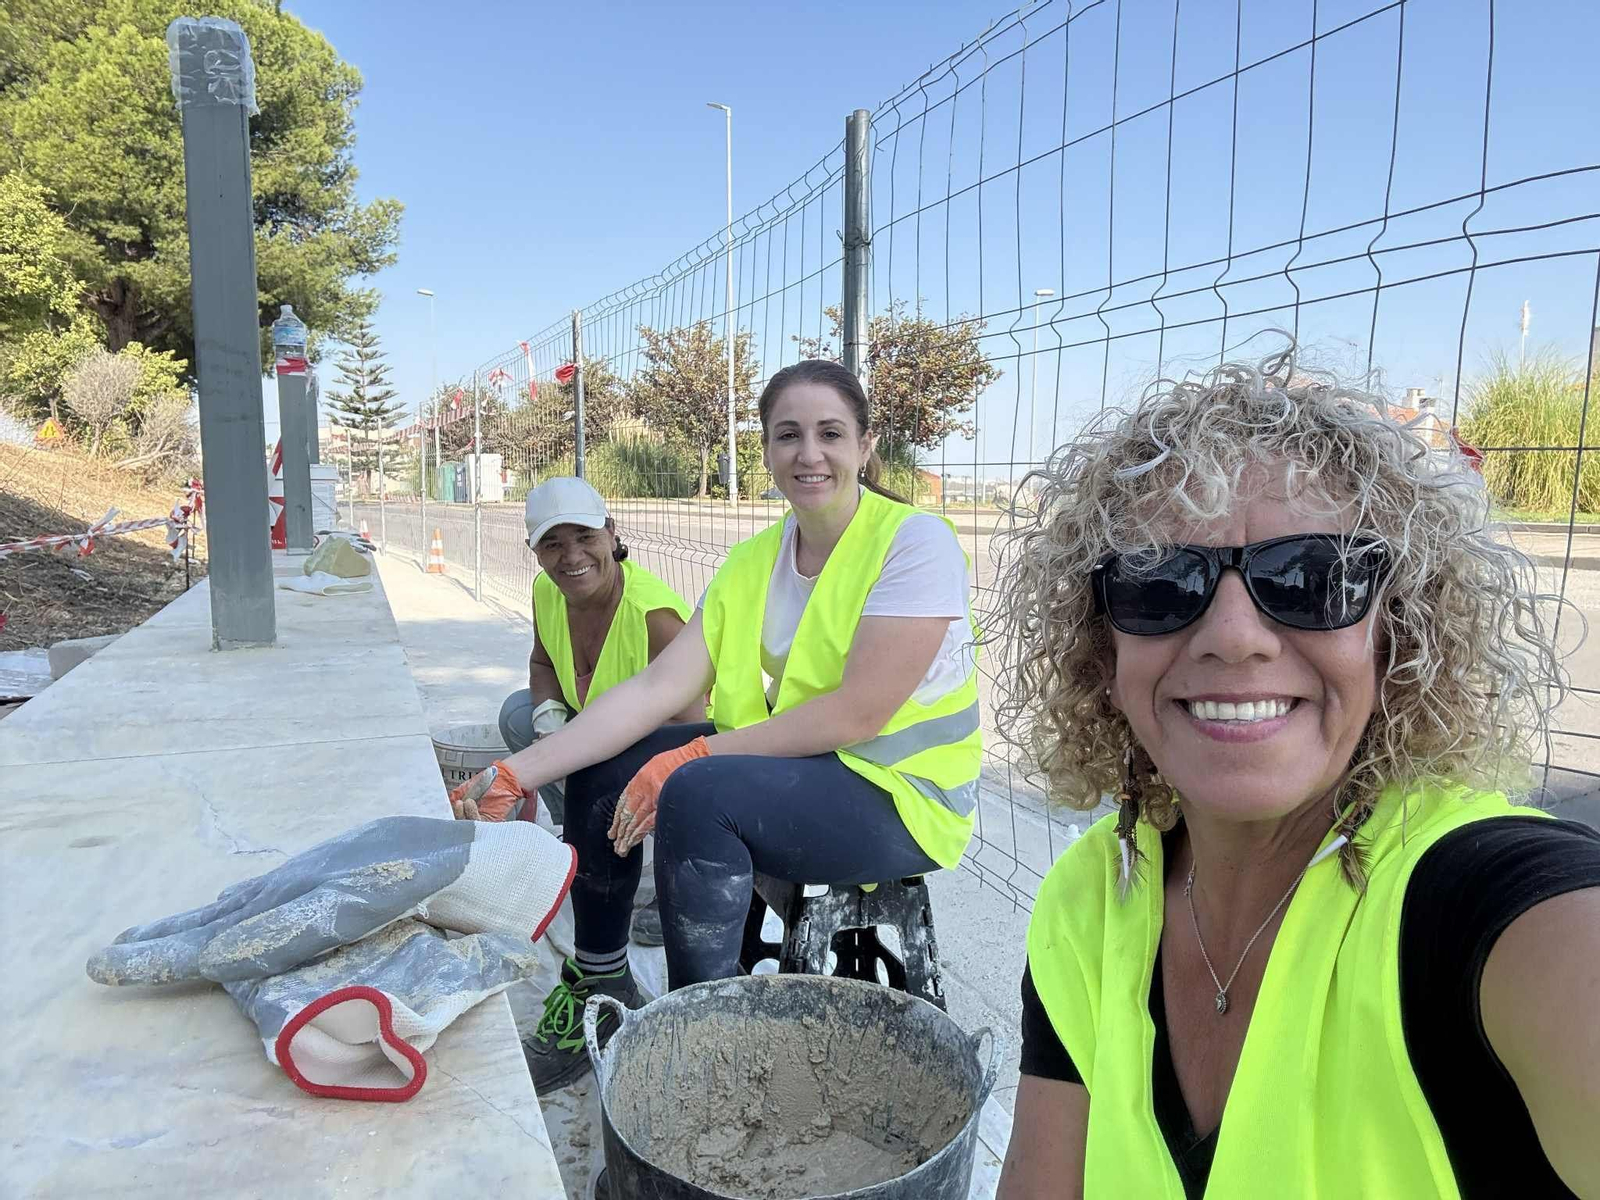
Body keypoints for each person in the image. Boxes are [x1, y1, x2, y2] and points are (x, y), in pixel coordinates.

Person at [989, 347, 1600, 1199]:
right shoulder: (1093, 896)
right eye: (1161, 583)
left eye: (1315, 578)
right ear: (1104, 650)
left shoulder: (1483, 905)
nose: (1233, 635)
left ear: (1399, 632)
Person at [450, 359, 982, 1094]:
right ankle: (601, 987)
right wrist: (517, 774)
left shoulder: (914, 543)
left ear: (865, 445)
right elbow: (658, 688)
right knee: (616, 762)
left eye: (830, 433)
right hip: (808, 767)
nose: (808, 453)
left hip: (902, 796)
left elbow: (861, 710)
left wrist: (696, 755)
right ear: (765, 451)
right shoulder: (753, 562)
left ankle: (710, 1049)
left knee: (700, 790)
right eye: (787, 435)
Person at [491, 476, 701, 944]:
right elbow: (542, 661)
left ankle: (652, 878)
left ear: (611, 531)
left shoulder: (653, 617)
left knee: (595, 770)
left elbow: (691, 726)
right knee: (516, 715)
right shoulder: (548, 592)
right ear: (535, 551)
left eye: (585, 537)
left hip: (673, 745)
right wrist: (550, 725)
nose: (571, 557)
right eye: (552, 544)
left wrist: (585, 749)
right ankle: (587, 847)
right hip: (595, 733)